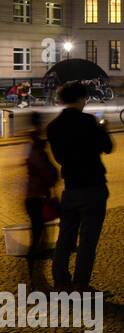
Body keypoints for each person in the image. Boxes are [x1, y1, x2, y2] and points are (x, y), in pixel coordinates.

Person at [46, 81, 113, 291]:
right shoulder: (88, 121)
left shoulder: (53, 127)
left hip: (71, 187)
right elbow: (107, 147)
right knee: (87, 240)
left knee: (65, 237)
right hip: (93, 186)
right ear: (80, 99)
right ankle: (81, 284)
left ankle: (60, 281)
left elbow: (59, 157)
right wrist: (103, 129)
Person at [23, 113, 58, 288]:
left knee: (40, 236)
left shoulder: (32, 143)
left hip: (33, 195)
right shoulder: (36, 145)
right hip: (36, 197)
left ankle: (35, 276)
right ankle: (33, 277)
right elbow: (47, 170)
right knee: (38, 238)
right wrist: (53, 174)